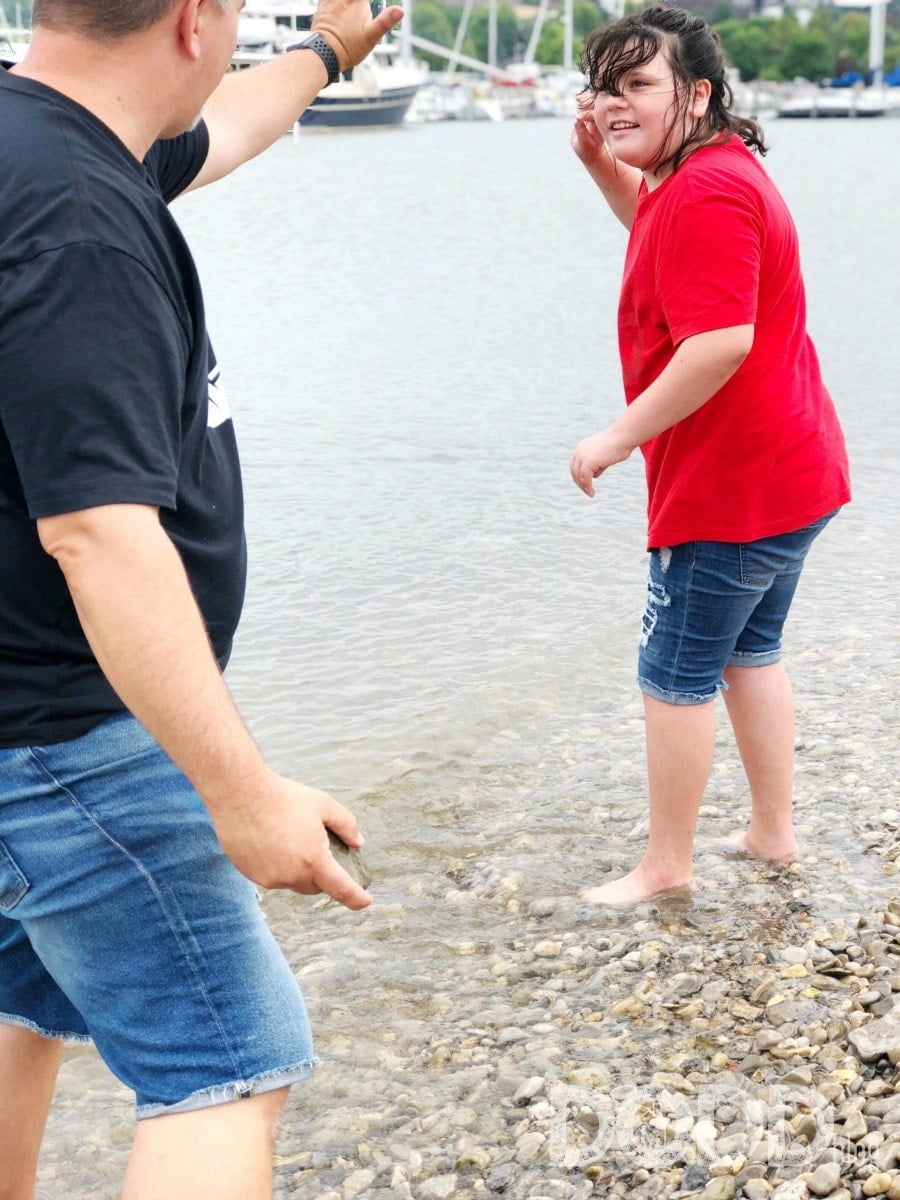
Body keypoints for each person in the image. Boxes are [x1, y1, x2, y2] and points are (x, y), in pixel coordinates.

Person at [0, 0, 402, 1196]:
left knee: (26, 1007)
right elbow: (98, 537)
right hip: (64, 737)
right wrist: (240, 792)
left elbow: (225, 125)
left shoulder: (54, 147)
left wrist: (328, 54)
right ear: (193, 19)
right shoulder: (79, 228)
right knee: (224, 1065)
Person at [568, 6, 851, 907]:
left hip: (732, 488)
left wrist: (617, 437)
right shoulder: (704, 173)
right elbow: (661, 240)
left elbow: (720, 340)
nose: (614, 104)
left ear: (694, 94)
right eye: (603, 86)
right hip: (792, 472)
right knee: (750, 652)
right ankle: (772, 833)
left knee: (674, 676)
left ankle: (666, 868)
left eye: (636, 85)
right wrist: (599, 167)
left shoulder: (708, 189)